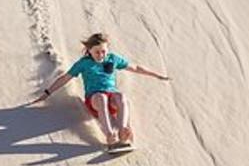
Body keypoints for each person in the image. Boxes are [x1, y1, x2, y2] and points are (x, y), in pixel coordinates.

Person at [32, 32, 171, 148]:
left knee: (121, 97)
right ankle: (109, 135)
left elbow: (135, 68)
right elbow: (65, 78)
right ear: (89, 51)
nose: (101, 55)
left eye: (104, 51)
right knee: (101, 98)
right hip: (94, 100)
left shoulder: (113, 59)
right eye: (97, 52)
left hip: (112, 99)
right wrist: (47, 93)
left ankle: (123, 130)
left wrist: (157, 75)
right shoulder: (84, 63)